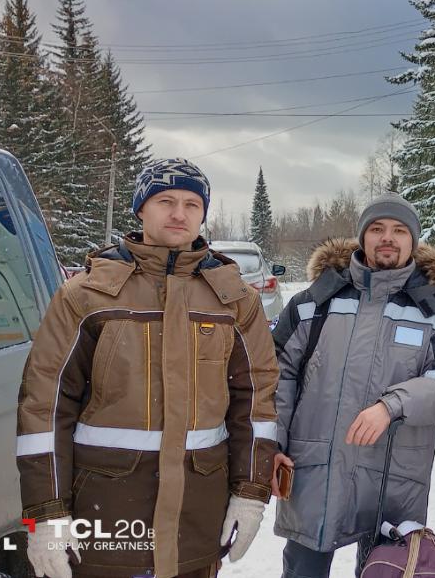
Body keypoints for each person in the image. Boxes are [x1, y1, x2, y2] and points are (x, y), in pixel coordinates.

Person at [16, 158, 278, 578]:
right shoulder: (86, 295)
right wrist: (44, 513)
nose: (179, 213)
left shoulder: (234, 299)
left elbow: (256, 404)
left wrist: (251, 493)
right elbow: (44, 406)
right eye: (165, 200)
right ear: (141, 209)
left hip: (197, 510)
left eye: (192, 204)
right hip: (105, 510)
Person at [271, 193, 435, 578]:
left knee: (384, 570)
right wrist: (275, 444)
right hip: (317, 468)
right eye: (377, 229)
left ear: (414, 240)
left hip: (392, 474)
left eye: (399, 230)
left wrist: (392, 405)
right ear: (362, 237)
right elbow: (279, 374)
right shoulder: (315, 302)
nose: (387, 238)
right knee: (303, 572)